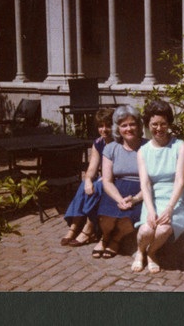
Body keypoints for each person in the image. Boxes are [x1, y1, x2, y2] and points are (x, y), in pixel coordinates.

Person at [132, 100, 184, 274]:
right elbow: (145, 183)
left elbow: (180, 180)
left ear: (169, 124)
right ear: (148, 125)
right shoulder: (143, 151)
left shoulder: (180, 146)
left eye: (163, 124)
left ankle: (151, 253)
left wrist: (170, 209)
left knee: (163, 229)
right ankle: (140, 252)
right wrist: (150, 210)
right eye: (154, 124)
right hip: (153, 197)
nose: (159, 128)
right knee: (145, 231)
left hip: (176, 197)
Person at [94, 105, 146, 259]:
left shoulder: (148, 147)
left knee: (127, 220)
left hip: (140, 190)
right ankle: (104, 237)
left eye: (132, 124)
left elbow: (151, 181)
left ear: (139, 126)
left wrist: (136, 199)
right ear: (118, 128)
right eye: (124, 125)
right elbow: (108, 181)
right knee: (105, 218)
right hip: (116, 188)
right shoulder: (111, 148)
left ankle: (115, 240)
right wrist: (119, 200)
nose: (128, 129)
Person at [61, 109, 114, 252]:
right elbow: (92, 167)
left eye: (108, 125)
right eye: (101, 126)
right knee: (85, 184)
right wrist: (88, 179)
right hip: (103, 178)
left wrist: (103, 178)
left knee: (98, 186)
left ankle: (88, 229)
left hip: (115, 180)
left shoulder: (119, 143)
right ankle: (74, 227)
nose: (104, 129)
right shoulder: (98, 143)